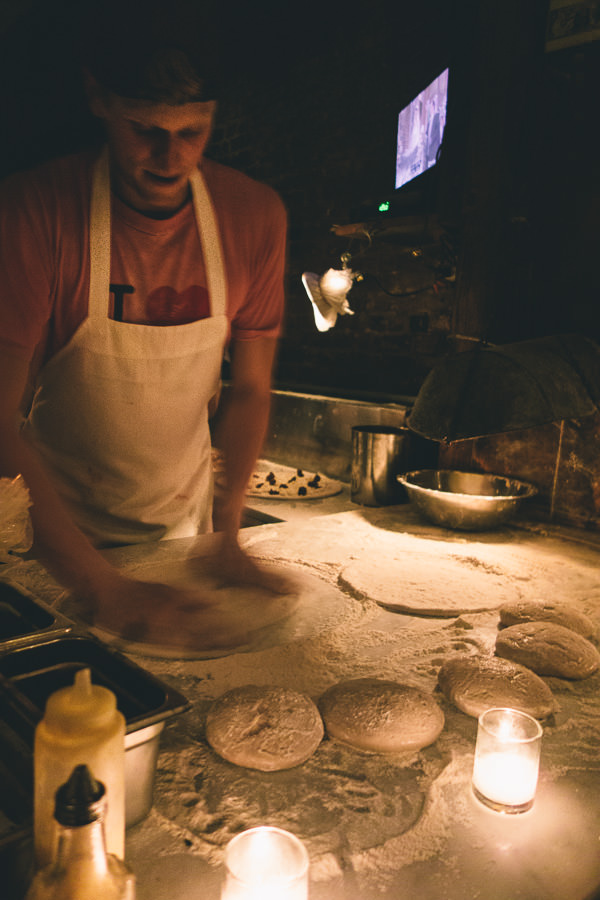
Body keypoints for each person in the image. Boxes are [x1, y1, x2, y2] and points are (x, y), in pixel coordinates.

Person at [0, 0, 289, 647]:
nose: (169, 157)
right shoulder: (35, 211)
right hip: (53, 548)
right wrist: (99, 585)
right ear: (97, 98)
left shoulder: (253, 216)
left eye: (192, 132)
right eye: (145, 130)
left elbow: (251, 391)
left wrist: (227, 533)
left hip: (183, 544)